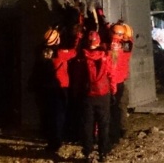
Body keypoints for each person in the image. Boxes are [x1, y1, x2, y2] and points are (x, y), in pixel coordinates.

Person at [29, 26, 82, 154]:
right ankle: (56, 141)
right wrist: (78, 37)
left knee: (47, 115)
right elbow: (74, 52)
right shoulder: (60, 54)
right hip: (59, 88)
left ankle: (49, 139)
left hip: (44, 88)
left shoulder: (40, 51)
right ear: (56, 40)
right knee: (58, 115)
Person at [78, 30, 116, 162]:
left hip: (88, 95)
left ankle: (88, 153)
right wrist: (113, 90)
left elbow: (78, 78)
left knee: (87, 125)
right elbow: (111, 74)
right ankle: (103, 153)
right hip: (103, 94)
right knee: (103, 125)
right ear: (98, 41)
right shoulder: (105, 56)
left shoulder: (82, 57)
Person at [108, 21, 133, 146]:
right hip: (120, 81)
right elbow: (129, 35)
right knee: (121, 107)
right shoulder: (127, 46)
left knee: (111, 108)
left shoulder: (107, 47)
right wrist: (124, 26)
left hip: (110, 82)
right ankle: (121, 130)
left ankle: (111, 133)